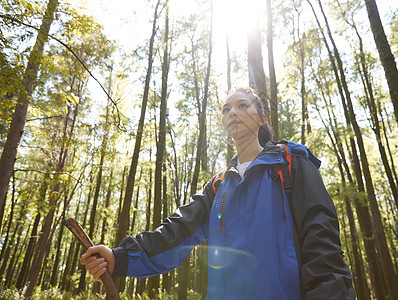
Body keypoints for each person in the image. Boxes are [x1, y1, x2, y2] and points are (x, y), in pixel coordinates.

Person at [81, 87, 355, 299]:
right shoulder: (219, 185)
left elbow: (321, 235)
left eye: (242, 106)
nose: (232, 112)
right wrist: (120, 257)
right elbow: (176, 232)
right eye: (226, 109)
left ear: (262, 119)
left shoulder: (291, 161)